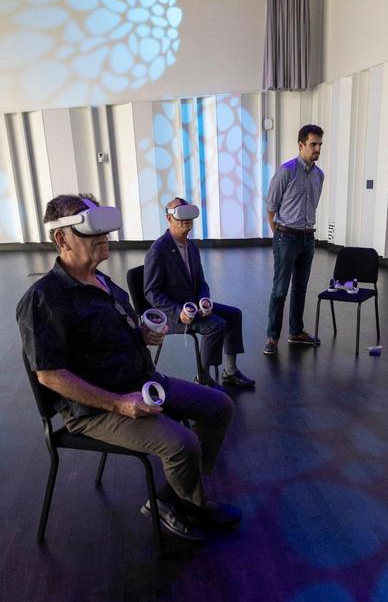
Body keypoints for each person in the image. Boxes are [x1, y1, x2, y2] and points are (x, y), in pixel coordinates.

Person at [16, 194, 241, 543]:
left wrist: (142, 333)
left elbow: (114, 330)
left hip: (143, 381)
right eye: (91, 231)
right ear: (62, 239)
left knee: (218, 407)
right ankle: (194, 503)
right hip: (97, 407)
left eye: (104, 229)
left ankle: (167, 498)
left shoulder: (104, 282)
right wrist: (118, 404)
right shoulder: (44, 298)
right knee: (182, 445)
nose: (104, 237)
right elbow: (49, 374)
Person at [143, 197, 255, 389]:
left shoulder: (191, 247)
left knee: (234, 314)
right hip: (173, 314)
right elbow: (151, 292)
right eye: (180, 214)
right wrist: (179, 312)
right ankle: (202, 379)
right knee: (216, 325)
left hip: (194, 306)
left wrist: (204, 300)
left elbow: (200, 281)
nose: (186, 219)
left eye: (188, 214)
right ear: (169, 219)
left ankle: (230, 372)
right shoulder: (158, 250)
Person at [263, 124, 325, 355]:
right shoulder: (286, 171)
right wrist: (278, 234)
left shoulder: (320, 175)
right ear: (301, 145)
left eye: (319, 144)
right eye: (313, 144)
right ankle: (272, 337)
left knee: (300, 288)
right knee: (280, 290)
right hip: (286, 237)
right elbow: (271, 207)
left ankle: (296, 332)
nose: (317, 148)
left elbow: (313, 204)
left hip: (308, 238)